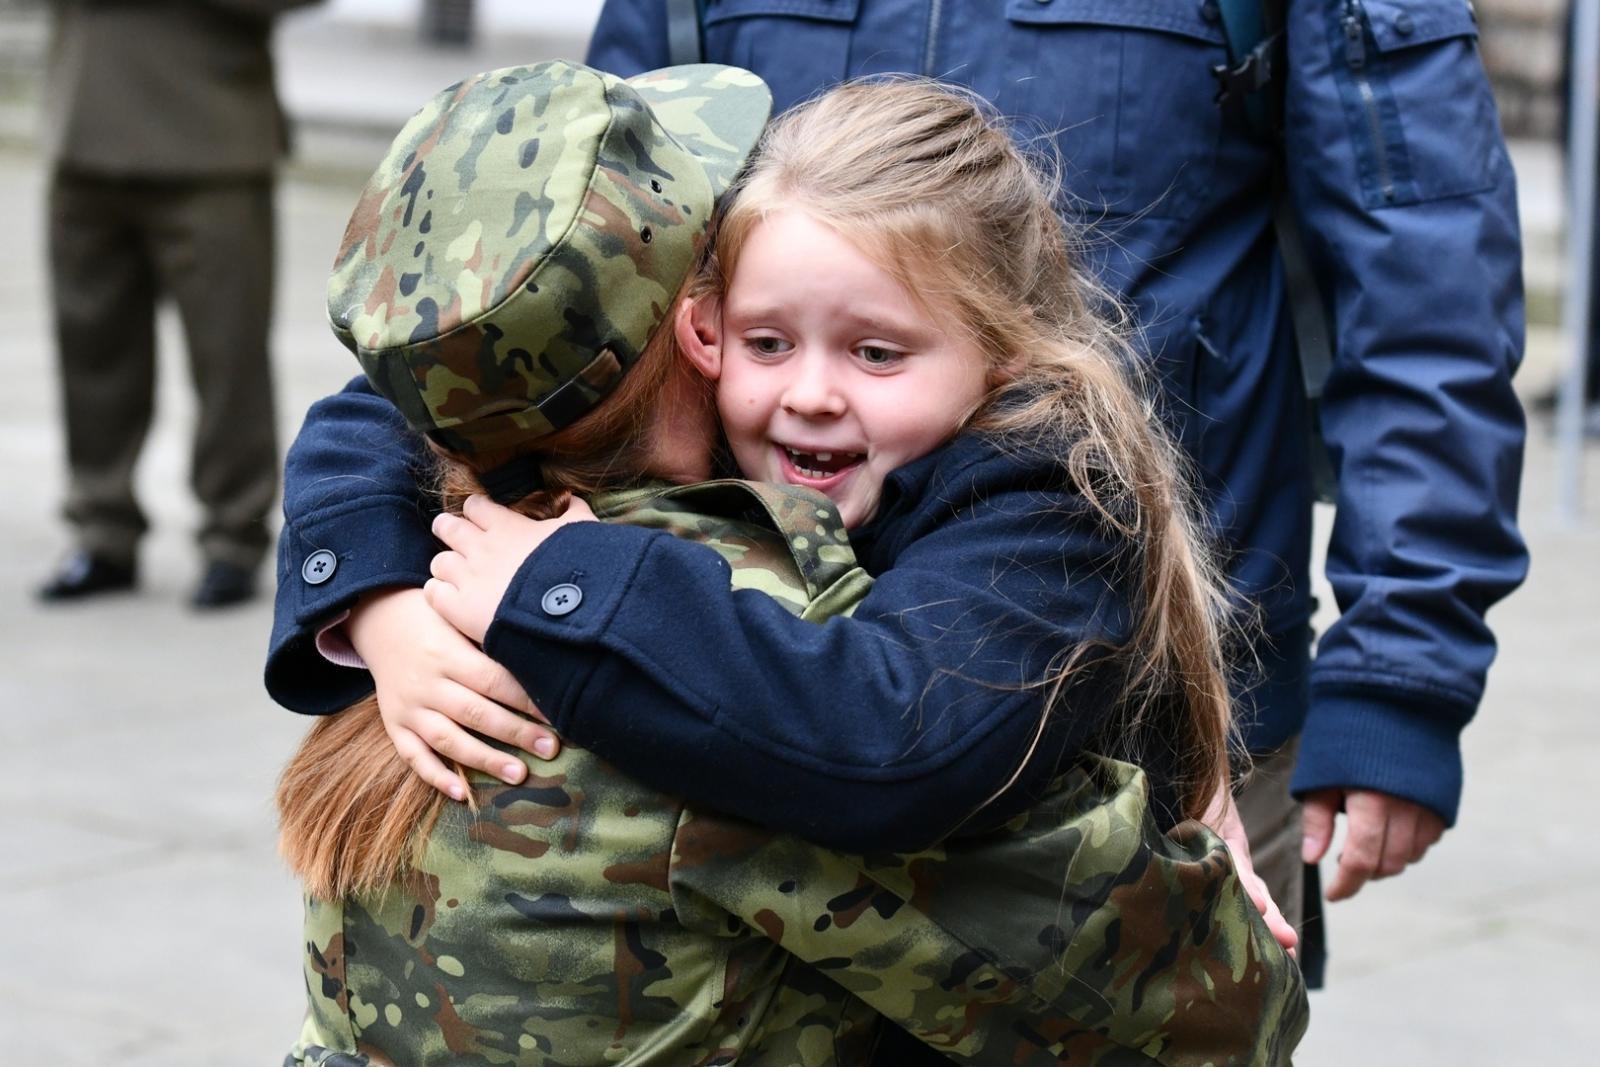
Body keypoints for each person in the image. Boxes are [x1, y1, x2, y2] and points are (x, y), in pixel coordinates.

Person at [275, 62, 1307, 1064]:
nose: (811, 391)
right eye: (767, 340)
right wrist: (379, 605)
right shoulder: (734, 628)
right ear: (700, 326)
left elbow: (897, 728)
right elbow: (1217, 1010)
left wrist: (404, 599)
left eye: (874, 352)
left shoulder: (470, 547)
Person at [569, 0, 1529, 980]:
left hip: (1163, 725)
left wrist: (1401, 670)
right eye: (770, 343)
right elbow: (568, 248)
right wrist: (408, 579)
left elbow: (1423, 273)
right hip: (728, 676)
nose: (812, 389)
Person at [35, 0, 318, 608]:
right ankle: (102, 527)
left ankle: (232, 537)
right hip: (84, 126)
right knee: (91, 348)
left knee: (228, 356)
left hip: (211, 141)